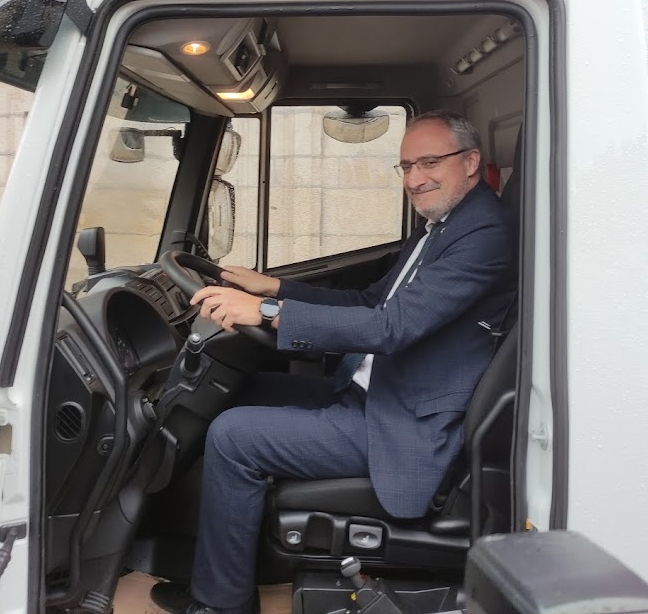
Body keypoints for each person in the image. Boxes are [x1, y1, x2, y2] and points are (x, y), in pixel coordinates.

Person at [151, 111, 516, 614]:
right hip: (379, 393)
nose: (414, 179)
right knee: (249, 388)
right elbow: (372, 303)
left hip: (402, 421)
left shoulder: (483, 234)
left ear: (471, 161)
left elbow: (391, 328)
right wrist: (275, 288)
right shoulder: (443, 224)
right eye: (406, 166)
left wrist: (269, 312)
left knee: (234, 436)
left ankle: (221, 604)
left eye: (429, 163)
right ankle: (224, 563)